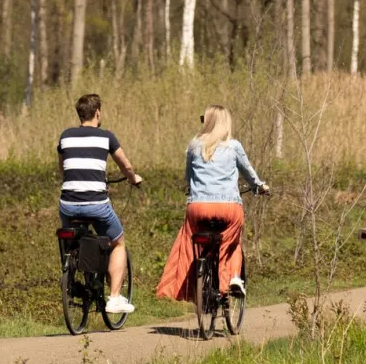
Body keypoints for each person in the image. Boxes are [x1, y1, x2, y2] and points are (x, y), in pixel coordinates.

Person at [157, 105, 268, 302]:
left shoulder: (193, 145)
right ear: (226, 123)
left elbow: (188, 177)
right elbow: (249, 173)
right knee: (232, 240)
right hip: (228, 207)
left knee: (196, 239)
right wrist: (258, 187)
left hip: (197, 208)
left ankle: (201, 276)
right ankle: (233, 278)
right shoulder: (233, 146)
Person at [58, 92, 143, 315]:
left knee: (71, 237)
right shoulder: (106, 137)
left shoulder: (65, 136)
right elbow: (126, 165)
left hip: (68, 203)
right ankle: (114, 298)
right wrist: (133, 178)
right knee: (118, 242)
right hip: (96, 204)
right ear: (97, 113)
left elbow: (63, 170)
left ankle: (71, 265)